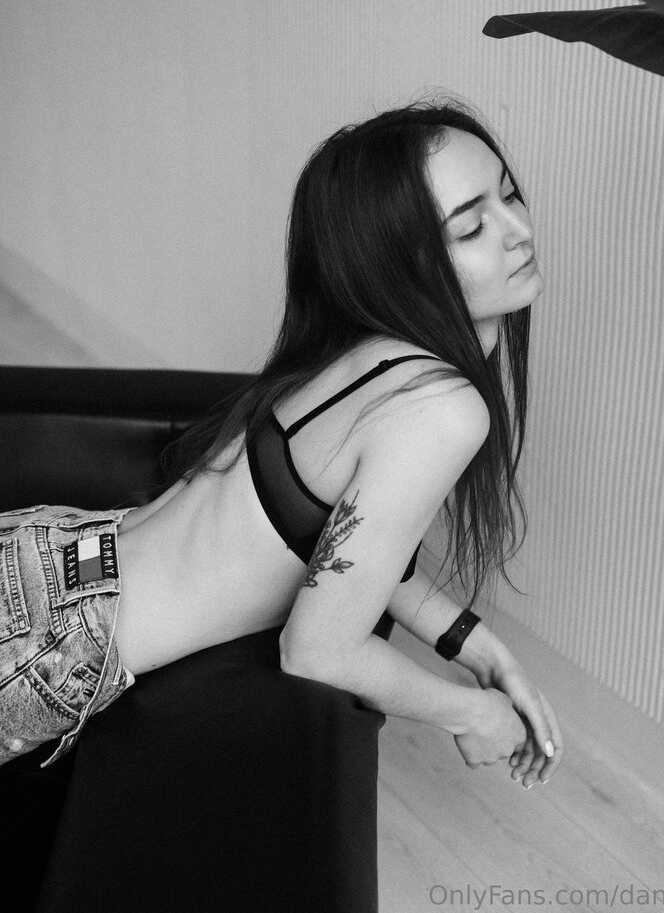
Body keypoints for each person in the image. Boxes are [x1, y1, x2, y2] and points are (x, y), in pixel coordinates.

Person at [0, 99, 562, 787]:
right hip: (50, 639)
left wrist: (480, 648)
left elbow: (345, 549)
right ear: (399, 266)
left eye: (510, 195)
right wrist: (473, 715)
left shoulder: (373, 351)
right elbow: (318, 650)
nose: (519, 231)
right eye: (472, 226)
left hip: (51, 553)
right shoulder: (442, 409)